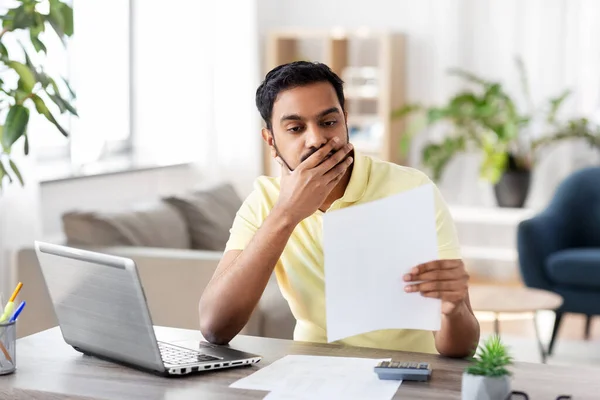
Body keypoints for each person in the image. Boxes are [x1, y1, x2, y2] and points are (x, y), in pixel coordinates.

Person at [198, 61, 480, 357]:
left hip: (407, 372)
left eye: (328, 122)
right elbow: (215, 327)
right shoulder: (264, 200)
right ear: (271, 140)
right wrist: (287, 213)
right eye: (295, 128)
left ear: (345, 120)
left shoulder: (412, 190)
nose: (317, 139)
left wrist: (454, 309)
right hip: (313, 371)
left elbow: (462, 348)